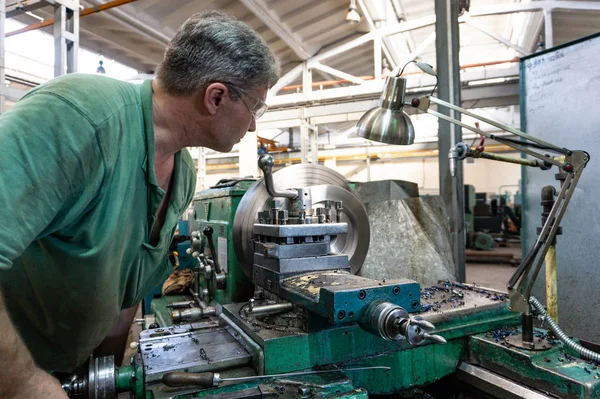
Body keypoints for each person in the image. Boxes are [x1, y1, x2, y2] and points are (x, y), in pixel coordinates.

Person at [0, 10, 279, 398]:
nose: (253, 126)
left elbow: (123, 294)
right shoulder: (79, 118)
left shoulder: (182, 174)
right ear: (216, 96)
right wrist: (22, 383)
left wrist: (106, 378)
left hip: (67, 374)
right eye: (256, 108)